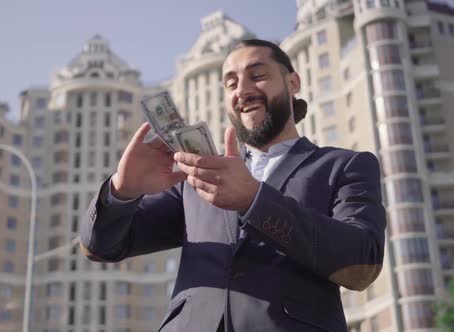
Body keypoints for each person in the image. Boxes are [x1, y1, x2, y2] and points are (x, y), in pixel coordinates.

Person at [80, 39, 386, 332]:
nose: (243, 90)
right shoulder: (195, 180)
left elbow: (361, 265)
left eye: (258, 75)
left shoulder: (346, 165)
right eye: (231, 83)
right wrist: (122, 190)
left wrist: (254, 200)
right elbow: (101, 246)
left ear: (293, 83)